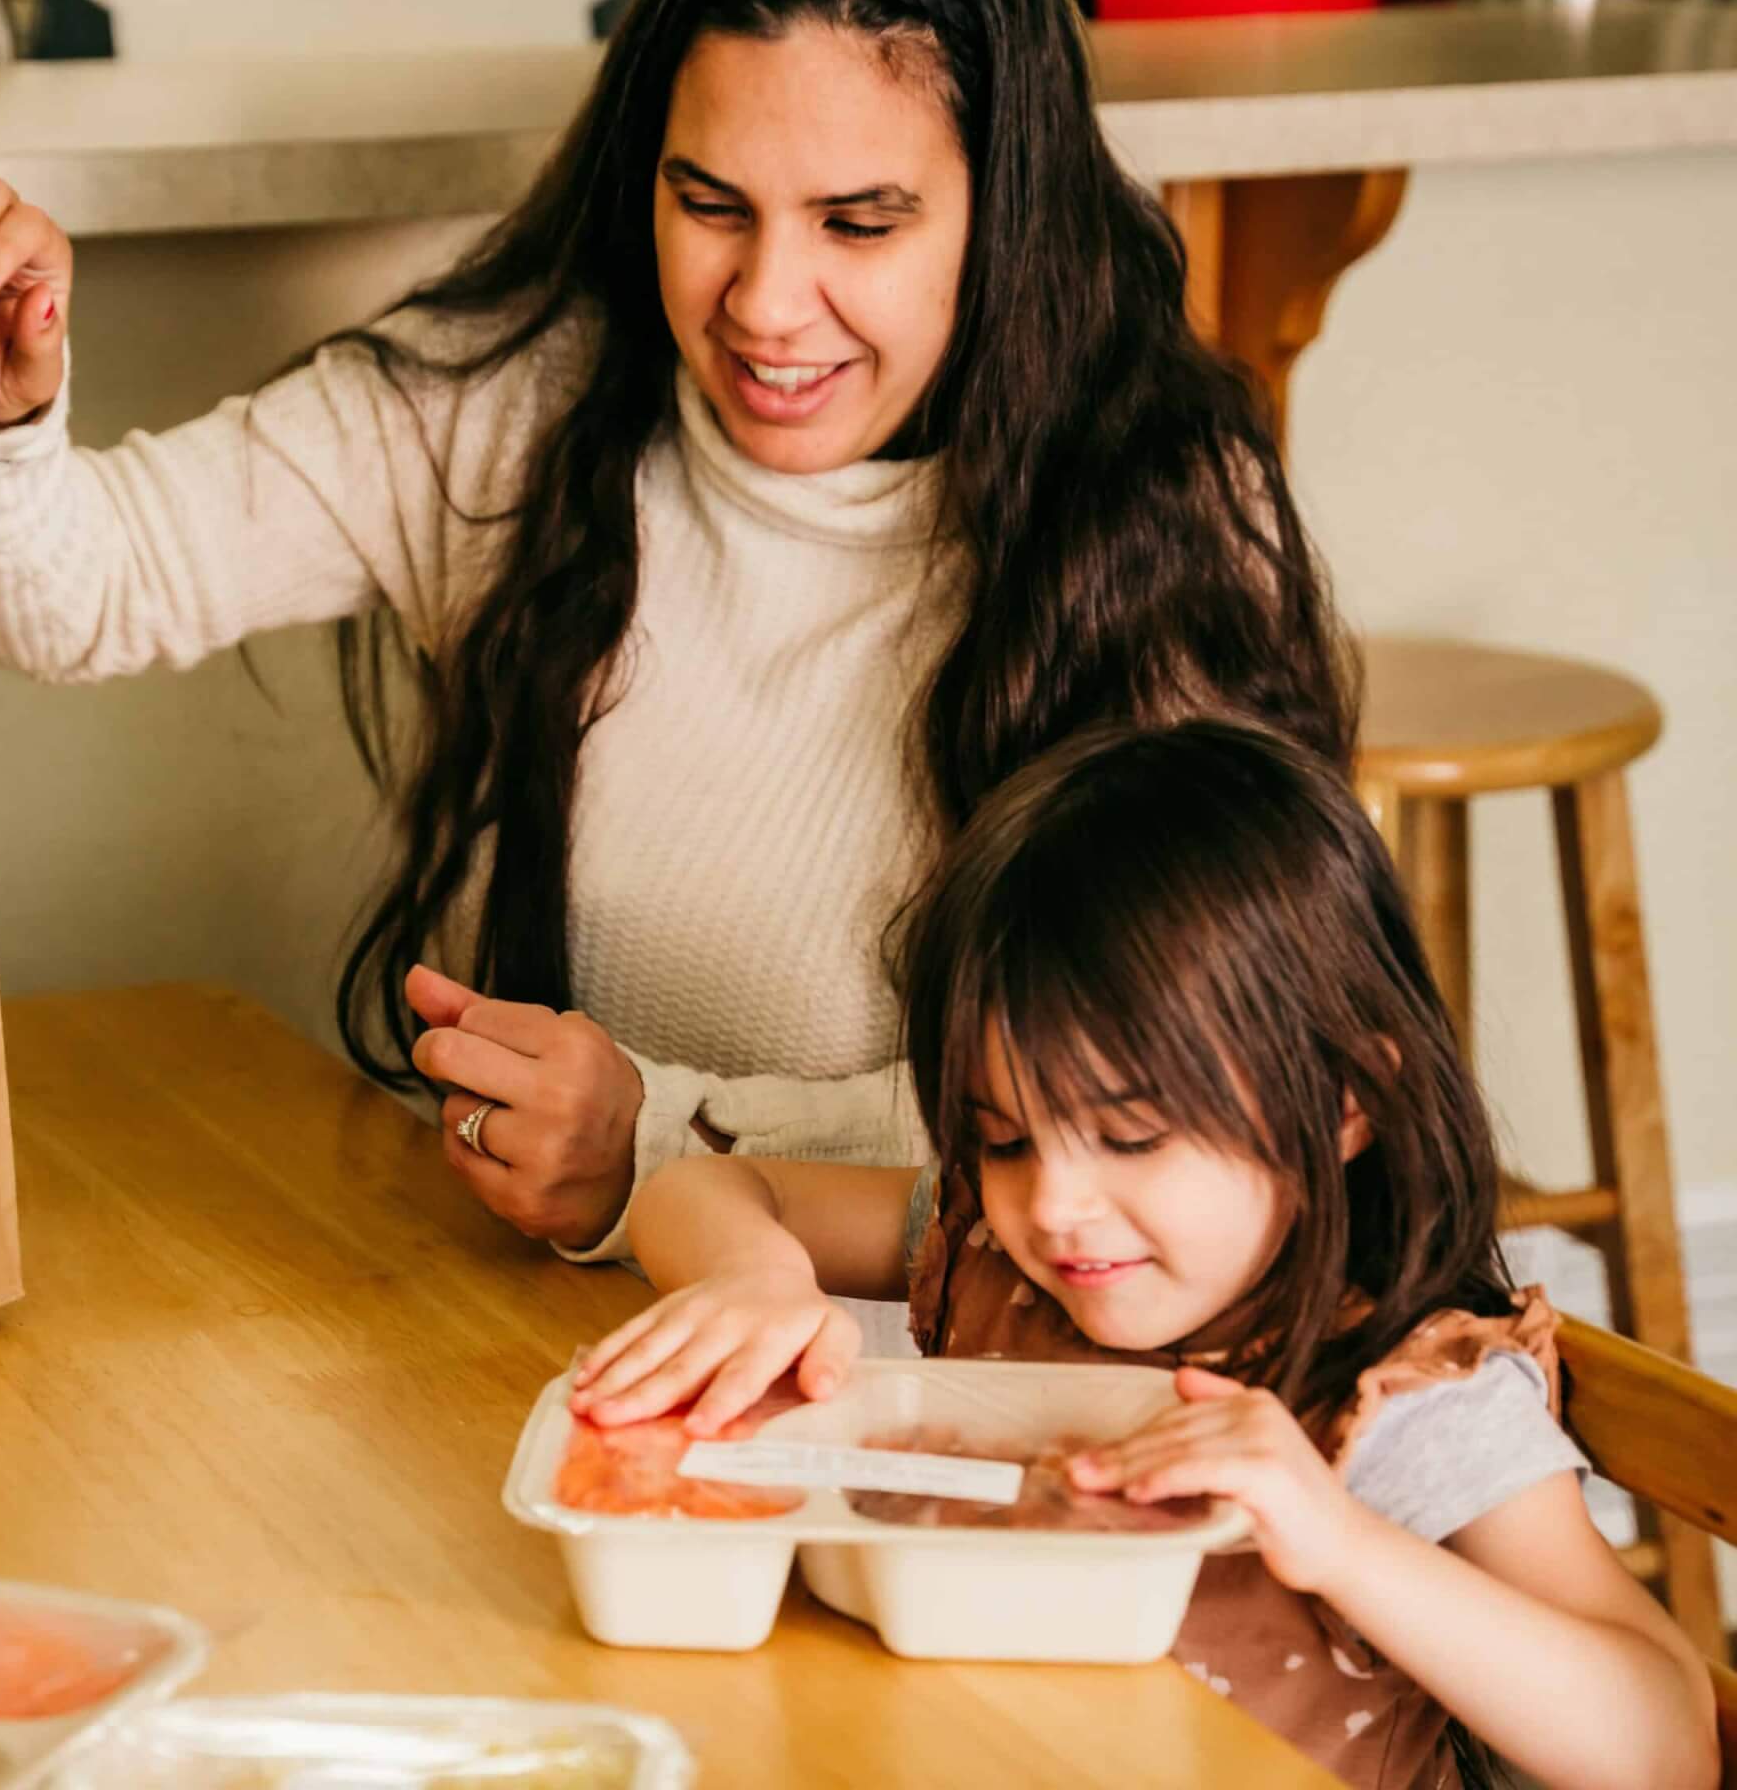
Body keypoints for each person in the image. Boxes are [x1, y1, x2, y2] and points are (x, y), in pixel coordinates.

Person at [0, 0, 1353, 1263]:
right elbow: (80, 595)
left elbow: (1182, 1110)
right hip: (531, 1338)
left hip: (963, 1359)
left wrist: (663, 1147)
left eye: (859, 224)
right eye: (711, 203)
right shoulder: (520, 411)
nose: (766, 303)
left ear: (1003, 214)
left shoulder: (1159, 520)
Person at [569, 722, 1718, 1790]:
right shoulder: (988, 1249)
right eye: (1004, 1135)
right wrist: (754, 1274)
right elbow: (708, 1184)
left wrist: (1340, 1539)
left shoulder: (1405, 1395)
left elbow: (1665, 1743)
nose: (1055, 1203)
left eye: (1130, 1135)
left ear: (1344, 1099)